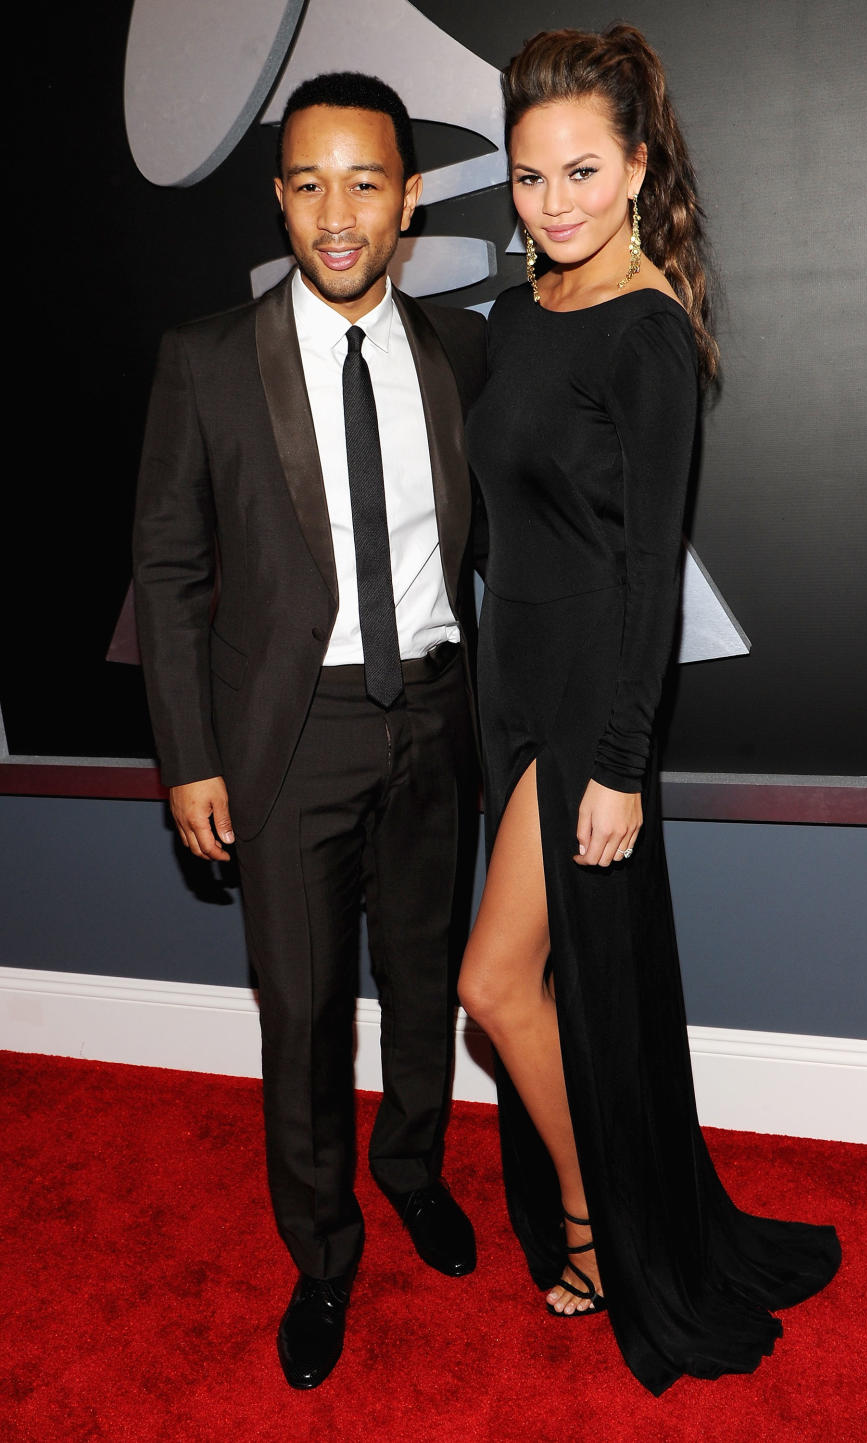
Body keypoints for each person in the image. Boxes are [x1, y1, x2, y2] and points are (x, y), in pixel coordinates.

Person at [459, 24, 840, 1394]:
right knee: (544, 988)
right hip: (506, 703)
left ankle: (597, 1223)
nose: (552, 203)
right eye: (526, 178)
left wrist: (619, 763)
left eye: (580, 172)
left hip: (587, 718)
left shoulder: (651, 336)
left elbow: (647, 575)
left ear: (634, 170)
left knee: (494, 987)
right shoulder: (512, 319)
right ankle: (609, 1210)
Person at [133, 71, 486, 1391]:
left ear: (405, 199)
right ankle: (323, 1254)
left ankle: (413, 1172)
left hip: (435, 717)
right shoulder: (208, 361)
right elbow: (167, 573)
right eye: (307, 182)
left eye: (366, 182)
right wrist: (190, 758)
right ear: (280, 196)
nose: (337, 214)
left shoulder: (460, 353)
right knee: (302, 1011)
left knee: (423, 981)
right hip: (290, 737)